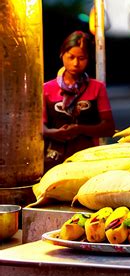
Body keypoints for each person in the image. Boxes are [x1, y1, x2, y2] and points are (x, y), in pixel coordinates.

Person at [43, 31, 115, 171]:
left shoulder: (97, 88)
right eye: (71, 57)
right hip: (53, 160)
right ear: (61, 54)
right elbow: (39, 128)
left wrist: (80, 129)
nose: (76, 63)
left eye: (82, 58)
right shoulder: (46, 89)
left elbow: (109, 128)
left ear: (89, 58)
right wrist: (54, 133)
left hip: (88, 161)